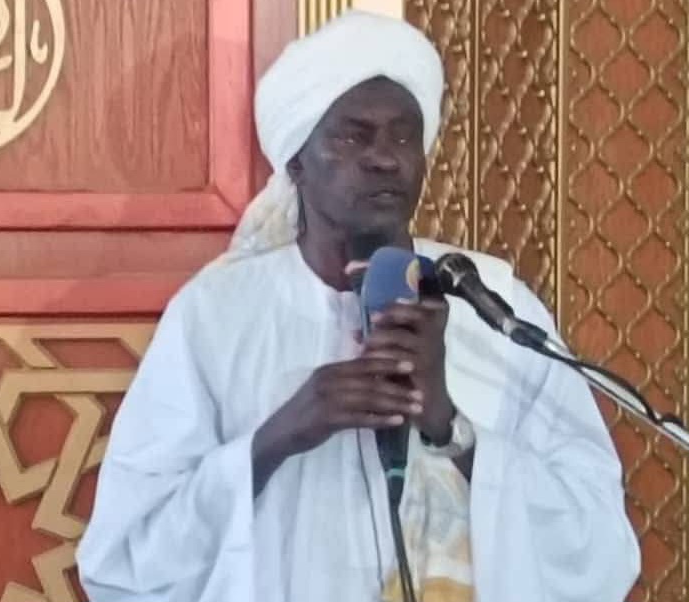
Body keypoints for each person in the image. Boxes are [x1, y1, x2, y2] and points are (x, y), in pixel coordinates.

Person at [76, 9, 640, 602]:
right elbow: (125, 561)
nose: (384, 157)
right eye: (352, 135)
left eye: (404, 135)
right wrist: (279, 437)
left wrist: (448, 426)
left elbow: (599, 547)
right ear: (297, 161)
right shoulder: (217, 316)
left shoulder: (493, 305)